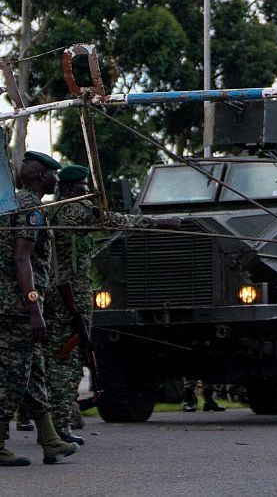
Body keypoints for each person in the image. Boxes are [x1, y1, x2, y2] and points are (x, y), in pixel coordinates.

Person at [45, 164, 181, 440]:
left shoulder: (52, 211)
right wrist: (157, 223)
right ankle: (58, 431)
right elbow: (113, 221)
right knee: (67, 360)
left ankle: (54, 428)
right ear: (72, 188)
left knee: (62, 356)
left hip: (59, 294)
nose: (88, 192)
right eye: (84, 187)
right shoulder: (72, 212)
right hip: (68, 297)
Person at [0, 151, 79, 466]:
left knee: (33, 373)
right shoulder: (32, 209)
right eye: (53, 173)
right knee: (12, 375)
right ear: (40, 176)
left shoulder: (12, 203)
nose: (56, 179)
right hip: (18, 306)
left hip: (9, 302)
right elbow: (23, 258)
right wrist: (34, 308)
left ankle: (50, 440)